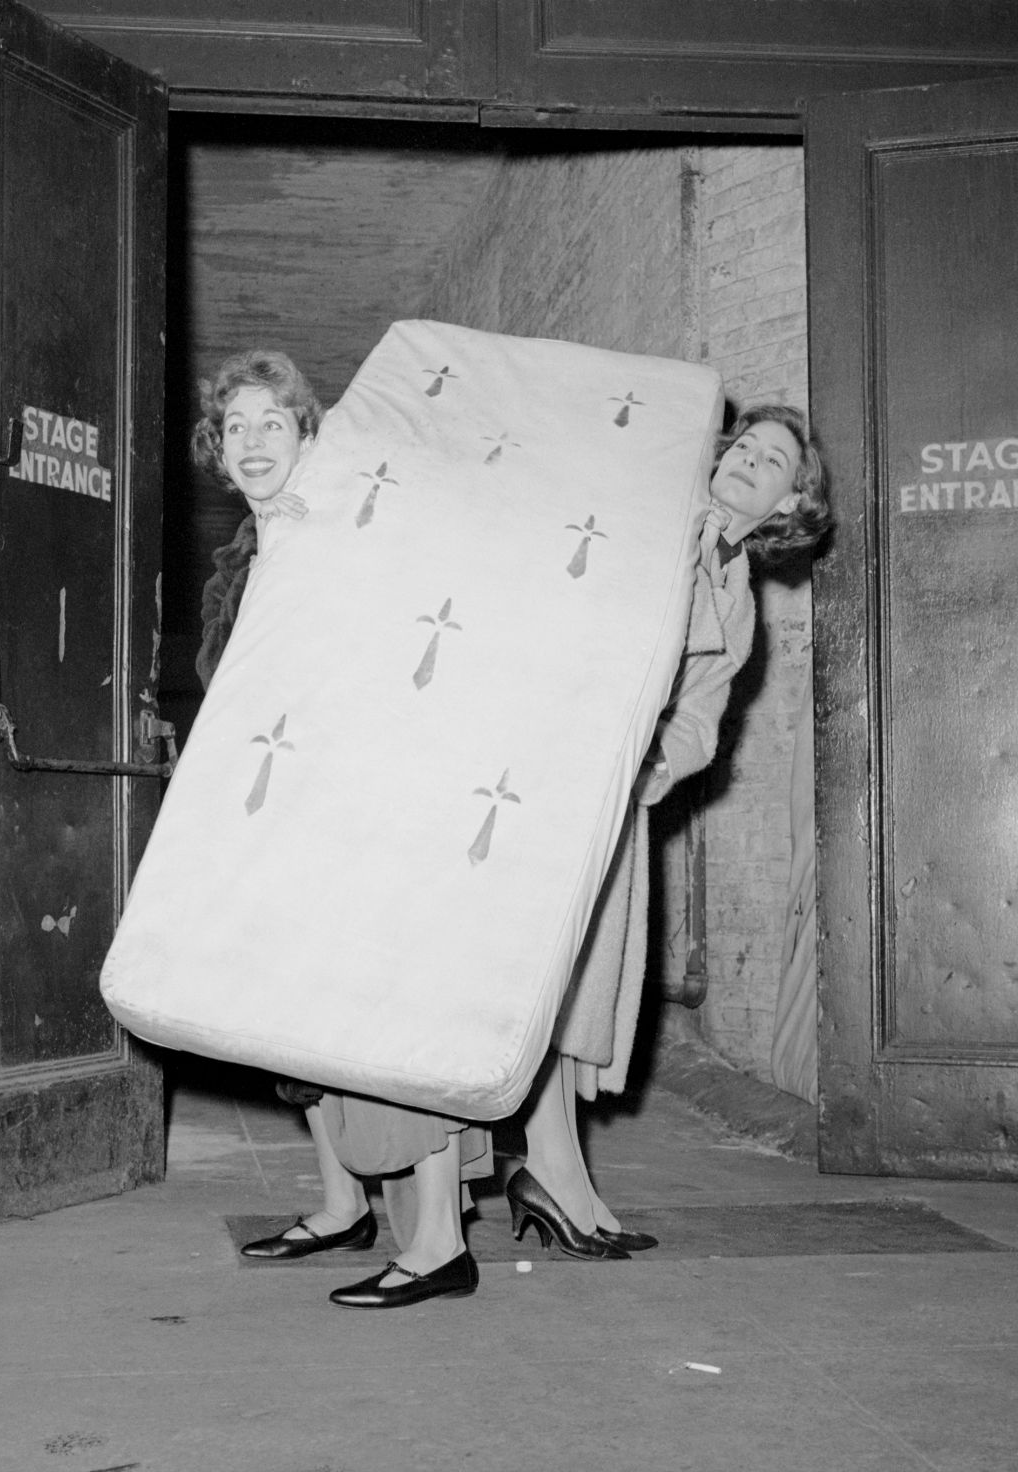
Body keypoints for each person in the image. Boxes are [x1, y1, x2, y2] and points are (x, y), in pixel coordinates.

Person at [190, 348, 490, 1309]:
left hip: (372, 805)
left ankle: (441, 1241)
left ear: (309, 436)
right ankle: (339, 1203)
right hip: (283, 812)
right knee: (297, 1021)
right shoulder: (240, 558)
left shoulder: (360, 527)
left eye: (273, 422)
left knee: (398, 1014)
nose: (253, 441)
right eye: (236, 426)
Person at [506, 404, 832, 1259]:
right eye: (745, 447)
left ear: (787, 506)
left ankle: (555, 1169)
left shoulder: (739, 595)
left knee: (578, 987)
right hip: (549, 774)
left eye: (773, 463)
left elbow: (701, 716)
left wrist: (657, 770)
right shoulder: (649, 521)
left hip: (616, 797)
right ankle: (552, 1173)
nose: (750, 462)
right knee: (540, 978)